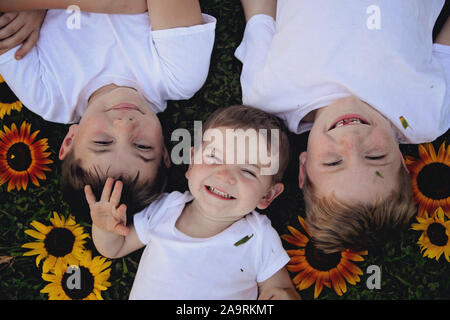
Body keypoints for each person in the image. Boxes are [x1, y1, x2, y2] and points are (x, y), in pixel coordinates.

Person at [235, 0, 450, 253]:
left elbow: (260, 15)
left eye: (333, 162)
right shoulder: (424, 115)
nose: (352, 140)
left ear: (303, 169)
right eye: (375, 156)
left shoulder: (266, 95)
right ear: (402, 161)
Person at [0, 0, 216, 220]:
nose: (124, 125)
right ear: (164, 152)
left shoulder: (46, 95)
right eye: (142, 146)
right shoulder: (178, 77)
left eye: (102, 142)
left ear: (69, 141)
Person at [84, 105, 300, 300]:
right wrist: (105, 228)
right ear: (191, 163)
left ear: (268, 195)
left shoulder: (257, 237)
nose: (224, 175)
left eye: (248, 171)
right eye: (214, 157)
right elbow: (114, 248)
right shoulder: (163, 210)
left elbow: (279, 288)